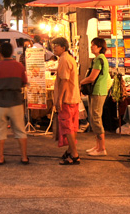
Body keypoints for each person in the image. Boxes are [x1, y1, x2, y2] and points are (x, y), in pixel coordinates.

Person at [0, 42, 28, 165]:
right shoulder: (19, 66)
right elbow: (24, 82)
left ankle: (0, 157)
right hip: (16, 101)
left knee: (0, 131)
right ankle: (24, 157)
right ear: (11, 52)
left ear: (0, 53)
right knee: (20, 130)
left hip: (0, 102)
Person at [51, 37, 81, 165]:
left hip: (67, 99)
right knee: (72, 127)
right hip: (73, 97)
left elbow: (64, 80)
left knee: (68, 127)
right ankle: (70, 151)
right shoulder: (70, 58)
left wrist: (59, 99)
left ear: (63, 47)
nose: (54, 48)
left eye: (56, 46)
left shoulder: (64, 59)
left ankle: (74, 154)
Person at [80, 37, 111, 156]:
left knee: (96, 118)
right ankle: (97, 146)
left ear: (99, 47)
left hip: (98, 91)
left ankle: (102, 148)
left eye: (93, 45)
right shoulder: (98, 59)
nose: (91, 46)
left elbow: (92, 77)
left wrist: (81, 82)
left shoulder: (99, 59)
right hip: (96, 91)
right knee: (93, 118)